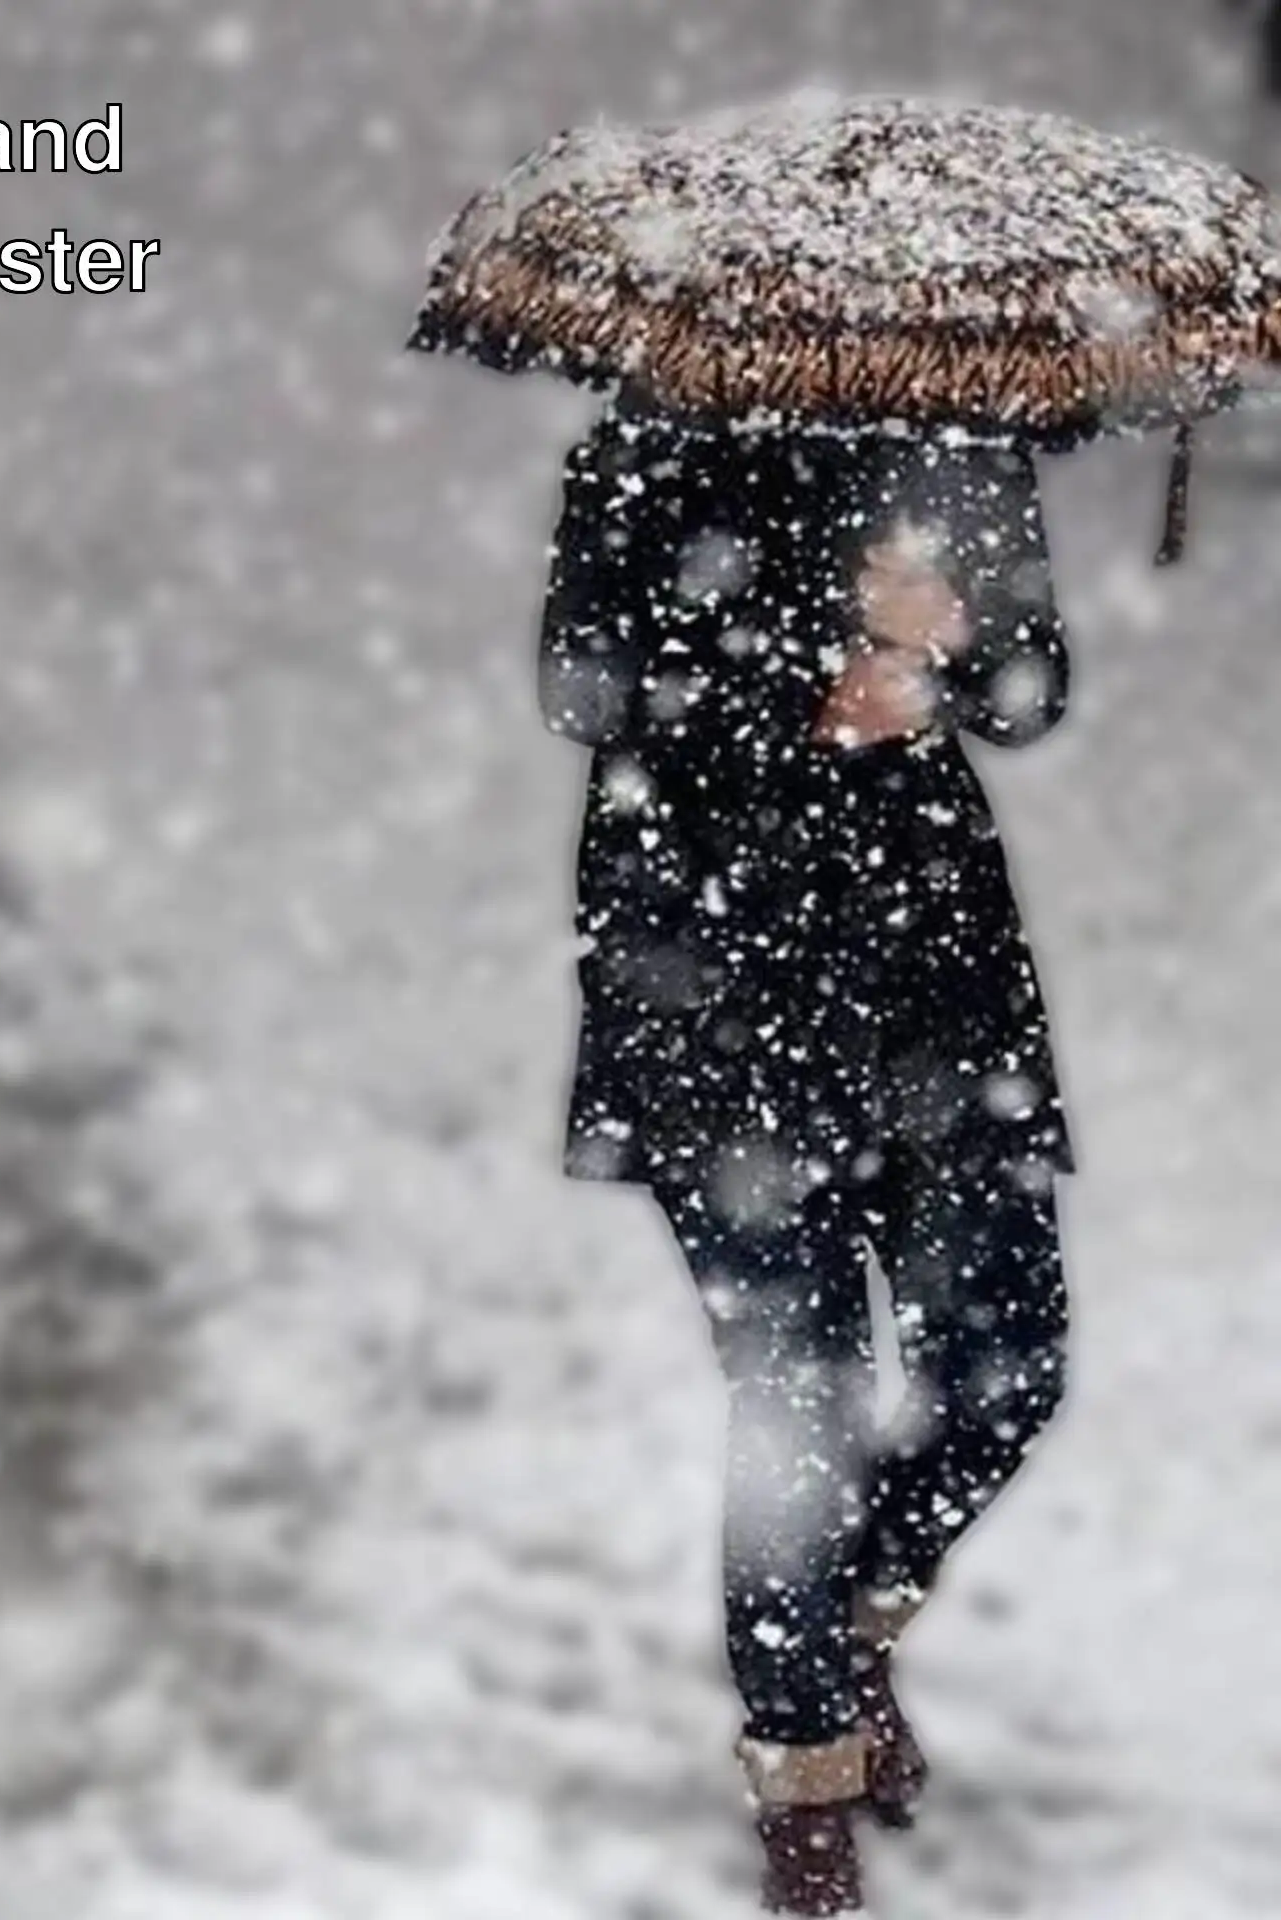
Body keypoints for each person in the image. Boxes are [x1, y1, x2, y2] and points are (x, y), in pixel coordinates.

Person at [539, 395, 1076, 1915]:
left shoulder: (959, 441)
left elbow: (1034, 688)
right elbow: (589, 687)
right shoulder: (649, 444)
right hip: (714, 989)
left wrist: (948, 647)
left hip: (932, 993)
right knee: (804, 1399)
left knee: (1007, 1361)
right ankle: (802, 1770)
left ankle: (838, 1632)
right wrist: (809, 659)